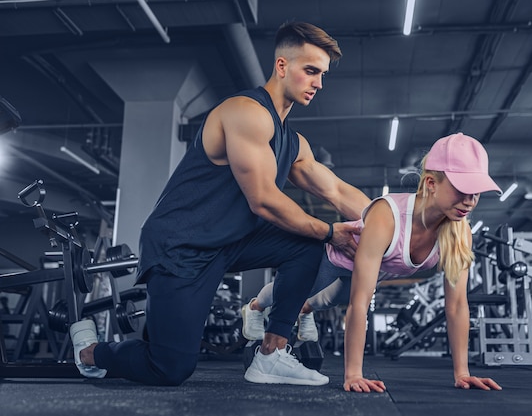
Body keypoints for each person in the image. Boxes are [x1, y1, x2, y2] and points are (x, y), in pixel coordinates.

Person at [68, 21, 371, 386]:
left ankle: (272, 353)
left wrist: (393, 225)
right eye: (310, 71)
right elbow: (263, 201)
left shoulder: (294, 143)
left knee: (308, 245)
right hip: (182, 245)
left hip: (229, 243)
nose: (318, 83)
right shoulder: (245, 113)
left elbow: (337, 192)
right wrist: (331, 230)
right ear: (281, 66)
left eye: (322, 74)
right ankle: (90, 350)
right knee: (169, 367)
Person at [242, 133, 504, 393]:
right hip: (339, 258)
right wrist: (353, 374)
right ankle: (254, 306)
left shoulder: (459, 232)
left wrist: (463, 373)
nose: (470, 201)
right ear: (431, 183)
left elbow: (457, 305)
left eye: (476, 193)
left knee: (325, 301)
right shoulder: (388, 215)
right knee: (292, 293)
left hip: (374, 271)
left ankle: (305, 310)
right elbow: (360, 304)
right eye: (462, 190)